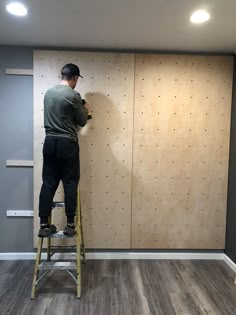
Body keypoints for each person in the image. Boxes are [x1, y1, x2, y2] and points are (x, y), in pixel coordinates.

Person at [38, 63, 90, 237]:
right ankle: (69, 225)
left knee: (48, 183)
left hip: (49, 142)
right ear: (74, 77)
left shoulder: (48, 93)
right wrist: (85, 108)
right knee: (69, 182)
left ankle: (44, 225)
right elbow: (82, 121)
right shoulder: (74, 95)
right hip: (67, 143)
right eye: (77, 80)